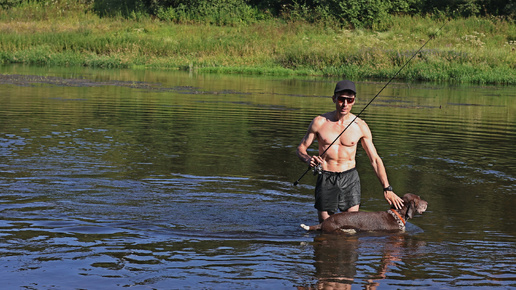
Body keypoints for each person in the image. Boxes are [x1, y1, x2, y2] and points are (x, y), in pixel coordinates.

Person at [296, 80, 403, 222]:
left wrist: (387, 188)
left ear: (354, 101)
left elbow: (375, 160)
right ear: (334, 98)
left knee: (352, 226)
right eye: (341, 99)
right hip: (326, 177)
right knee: (326, 227)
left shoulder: (361, 126)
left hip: (350, 179)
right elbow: (301, 148)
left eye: (349, 100)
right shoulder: (319, 122)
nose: (345, 104)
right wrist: (308, 159)